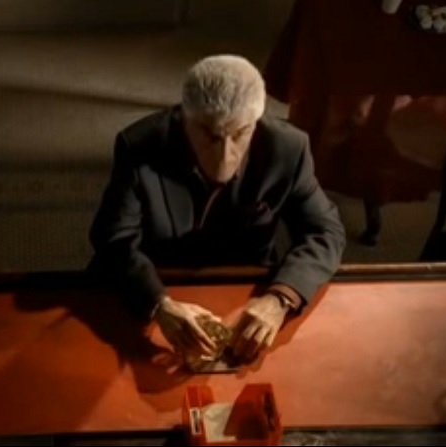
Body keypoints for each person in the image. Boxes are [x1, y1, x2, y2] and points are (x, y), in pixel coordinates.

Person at [88, 54, 346, 364]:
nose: (225, 156)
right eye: (211, 136)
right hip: (157, 277)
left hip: (244, 283)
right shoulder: (139, 145)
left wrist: (279, 298)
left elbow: (325, 231)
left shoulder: (288, 148)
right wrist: (159, 304)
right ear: (184, 118)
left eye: (240, 134)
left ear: (256, 120)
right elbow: (112, 238)